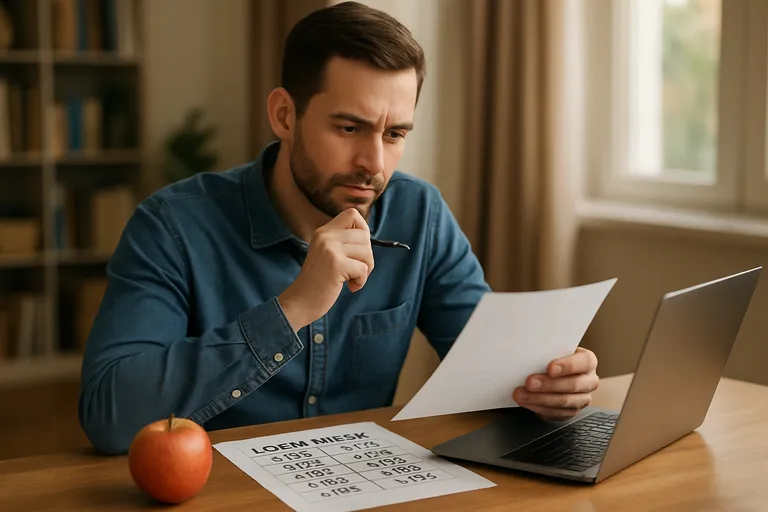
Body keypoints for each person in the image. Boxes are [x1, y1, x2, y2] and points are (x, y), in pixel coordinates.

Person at [78, 1, 599, 456]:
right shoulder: (171, 226)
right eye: (349, 128)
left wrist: (549, 386)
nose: (373, 162)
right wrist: (294, 308)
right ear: (285, 115)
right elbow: (110, 414)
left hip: (365, 488)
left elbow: (490, 369)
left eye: (394, 133)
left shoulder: (421, 214)